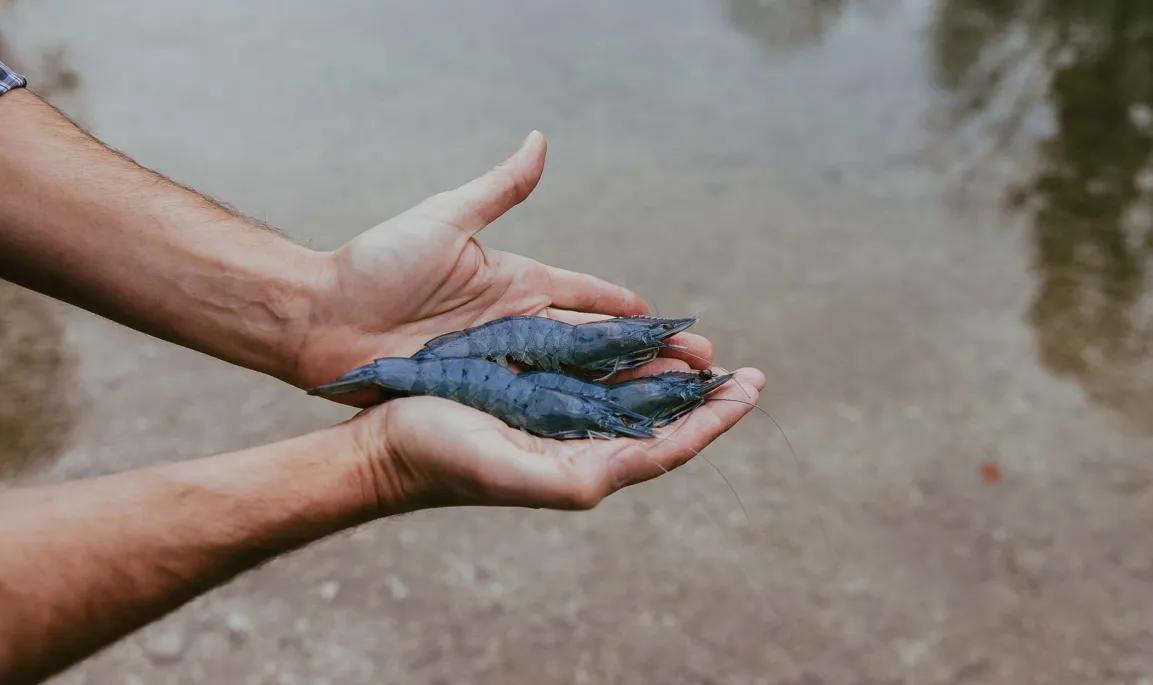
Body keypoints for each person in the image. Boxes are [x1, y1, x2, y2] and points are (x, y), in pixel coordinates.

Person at [0, 61, 764, 683]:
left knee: (597, 399)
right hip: (448, 364)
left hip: (453, 358)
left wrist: (313, 311)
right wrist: (374, 463)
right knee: (593, 401)